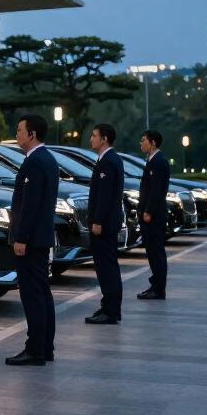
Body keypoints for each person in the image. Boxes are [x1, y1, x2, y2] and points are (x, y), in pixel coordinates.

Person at [5, 113, 59, 366]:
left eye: (19, 130)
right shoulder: (47, 159)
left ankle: (35, 348)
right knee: (42, 293)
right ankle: (45, 346)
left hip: (32, 240)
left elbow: (30, 205)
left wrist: (21, 237)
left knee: (33, 295)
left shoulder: (35, 162)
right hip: (40, 238)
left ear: (32, 134)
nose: (17, 134)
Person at [85, 123, 125, 324]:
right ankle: (109, 307)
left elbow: (105, 196)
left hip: (105, 224)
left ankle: (110, 310)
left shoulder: (109, 161)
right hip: (106, 222)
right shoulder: (106, 160)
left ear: (104, 139)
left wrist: (98, 221)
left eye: (94, 136)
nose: (91, 139)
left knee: (106, 267)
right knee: (106, 267)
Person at [137, 130, 170, 299]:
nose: (141, 143)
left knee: (156, 252)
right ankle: (156, 285)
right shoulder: (152, 161)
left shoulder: (159, 162)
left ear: (153, 143)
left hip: (154, 216)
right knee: (153, 252)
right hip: (149, 215)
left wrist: (148, 211)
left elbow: (156, 191)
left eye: (144, 140)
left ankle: (158, 288)